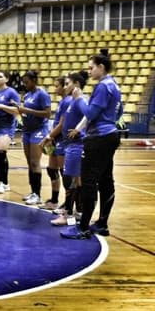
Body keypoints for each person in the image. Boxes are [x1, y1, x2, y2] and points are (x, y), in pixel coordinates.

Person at [61, 50, 122, 239]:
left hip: (98, 139)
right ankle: (102, 223)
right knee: (105, 181)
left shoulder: (103, 86)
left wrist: (79, 99)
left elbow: (90, 113)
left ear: (101, 67)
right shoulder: (114, 85)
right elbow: (119, 112)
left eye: (91, 67)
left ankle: (83, 227)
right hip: (111, 134)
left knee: (88, 181)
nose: (89, 72)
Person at [48, 71, 88, 226]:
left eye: (67, 84)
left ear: (76, 84)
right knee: (74, 180)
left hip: (76, 145)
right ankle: (76, 212)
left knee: (70, 179)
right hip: (70, 144)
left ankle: (68, 215)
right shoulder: (72, 101)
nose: (65, 87)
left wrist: (78, 129)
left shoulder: (80, 100)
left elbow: (89, 114)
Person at [13, 71, 51, 205]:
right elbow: (26, 112)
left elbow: (47, 113)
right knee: (30, 162)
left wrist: (27, 111)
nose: (25, 84)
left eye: (27, 82)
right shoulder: (28, 95)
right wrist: (20, 110)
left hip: (39, 130)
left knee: (35, 162)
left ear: (34, 81)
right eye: (24, 82)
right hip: (27, 130)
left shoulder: (42, 94)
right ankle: (33, 191)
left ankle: (38, 195)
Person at [38, 76, 70, 210]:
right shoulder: (63, 101)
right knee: (52, 170)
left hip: (62, 140)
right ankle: (54, 200)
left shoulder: (67, 101)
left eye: (57, 86)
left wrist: (48, 136)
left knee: (65, 173)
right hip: (56, 140)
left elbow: (62, 124)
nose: (55, 88)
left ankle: (69, 203)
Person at [0, 71, 20, 194]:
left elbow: (17, 110)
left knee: (0, 152)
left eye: (0, 76)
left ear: (7, 79)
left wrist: (1, 107)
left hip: (6, 126)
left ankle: (0, 182)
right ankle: (6, 182)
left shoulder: (11, 92)